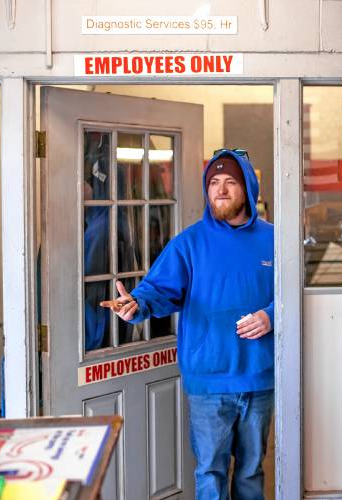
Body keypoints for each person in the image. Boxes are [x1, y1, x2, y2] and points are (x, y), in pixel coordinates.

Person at [103, 149, 274, 500]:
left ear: (249, 189)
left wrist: (272, 315)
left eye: (230, 182)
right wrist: (135, 304)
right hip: (208, 382)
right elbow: (157, 290)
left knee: (251, 472)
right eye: (214, 183)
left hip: (259, 376)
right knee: (210, 472)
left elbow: (294, 294)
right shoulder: (188, 244)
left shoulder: (275, 239)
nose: (221, 190)